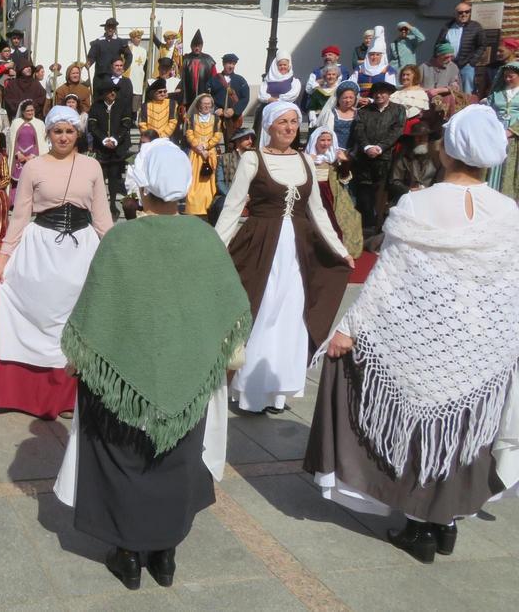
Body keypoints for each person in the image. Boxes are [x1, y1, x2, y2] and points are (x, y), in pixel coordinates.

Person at [304, 105, 519, 564]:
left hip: (426, 342)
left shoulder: (418, 204)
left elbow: (388, 282)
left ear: (448, 150)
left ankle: (420, 528)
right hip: (479, 345)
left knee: (422, 432)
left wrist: (347, 329)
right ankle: (443, 524)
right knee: (462, 435)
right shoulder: (508, 210)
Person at [53, 141, 249, 590]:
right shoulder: (205, 238)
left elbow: (93, 317)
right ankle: (165, 555)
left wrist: (77, 362)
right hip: (188, 377)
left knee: (121, 458)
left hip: (122, 383)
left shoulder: (122, 238)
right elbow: (228, 312)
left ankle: (126, 553)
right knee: (176, 460)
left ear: (141, 187)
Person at [214, 102, 354, 414]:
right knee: (262, 312)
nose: (290, 128)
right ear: (269, 126)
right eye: (283, 122)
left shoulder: (305, 160)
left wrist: (341, 250)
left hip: (299, 250)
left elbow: (317, 211)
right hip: (261, 247)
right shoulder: (253, 159)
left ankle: (277, 390)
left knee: (292, 315)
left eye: (294, 122)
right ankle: (249, 391)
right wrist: (213, 247)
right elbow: (233, 208)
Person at [0, 106, 113, 419]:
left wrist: (115, 255)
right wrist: (3, 257)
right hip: (41, 247)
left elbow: (101, 217)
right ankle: (33, 394)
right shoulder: (33, 167)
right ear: (48, 134)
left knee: (77, 318)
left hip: (81, 248)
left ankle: (71, 395)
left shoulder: (92, 167)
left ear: (78, 134)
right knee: (39, 315)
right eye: (57, 131)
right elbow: (20, 215)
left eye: (69, 131)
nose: (63, 137)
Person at [350, 82, 405, 233]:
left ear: (389, 94)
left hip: (386, 157)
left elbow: (396, 131)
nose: (379, 95)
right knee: (364, 192)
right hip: (364, 158)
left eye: (383, 92)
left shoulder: (399, 110)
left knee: (382, 193)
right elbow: (359, 131)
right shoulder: (363, 111)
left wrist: (380, 147)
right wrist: (367, 147)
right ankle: (366, 226)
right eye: (377, 93)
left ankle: (379, 226)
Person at [306, 126, 362, 257]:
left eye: (328, 140)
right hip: (312, 193)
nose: (326, 143)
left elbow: (344, 178)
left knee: (349, 218)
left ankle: (339, 250)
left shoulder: (335, 158)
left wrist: (345, 162)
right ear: (315, 140)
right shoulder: (307, 157)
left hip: (333, 193)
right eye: (322, 140)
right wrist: (310, 160)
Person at [89, 83, 134, 215]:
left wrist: (115, 139)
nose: (113, 93)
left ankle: (113, 203)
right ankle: (100, 204)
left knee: (114, 176)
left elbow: (126, 124)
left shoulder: (122, 105)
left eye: (114, 91)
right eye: (109, 91)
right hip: (101, 148)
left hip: (117, 148)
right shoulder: (96, 106)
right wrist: (103, 139)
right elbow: (92, 125)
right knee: (100, 177)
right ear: (104, 94)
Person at [435, 2, 487, 96]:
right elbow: (438, 45)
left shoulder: (476, 27)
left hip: (466, 64)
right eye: (460, 12)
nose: (464, 14)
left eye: (467, 12)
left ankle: (467, 108)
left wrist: (472, 62)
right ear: (455, 14)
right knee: (447, 88)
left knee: (467, 91)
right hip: (448, 63)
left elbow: (482, 45)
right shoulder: (447, 27)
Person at [183, 93, 222, 217]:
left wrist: (206, 146)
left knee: (209, 181)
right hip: (196, 154)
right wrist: (198, 147)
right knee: (195, 180)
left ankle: (208, 205)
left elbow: (217, 135)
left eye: (208, 104)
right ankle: (194, 206)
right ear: (199, 105)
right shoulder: (192, 119)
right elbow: (189, 134)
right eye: (204, 104)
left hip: (210, 153)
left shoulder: (216, 119)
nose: (206, 106)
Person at [485, 61, 519, 197]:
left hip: (515, 136)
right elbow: (488, 111)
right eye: (505, 76)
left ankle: (510, 196)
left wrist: (512, 131)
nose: (507, 79)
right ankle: (492, 193)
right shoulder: (497, 94)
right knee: (494, 163)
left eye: (511, 76)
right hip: (496, 133)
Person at [7, 100, 47, 206]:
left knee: (31, 181)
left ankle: (32, 203)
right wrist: (18, 153)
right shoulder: (16, 123)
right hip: (18, 157)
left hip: (33, 157)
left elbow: (41, 142)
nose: (30, 112)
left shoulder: (39, 123)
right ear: (23, 112)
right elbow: (11, 141)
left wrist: (32, 155)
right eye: (28, 110)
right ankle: (15, 203)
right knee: (17, 182)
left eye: (32, 110)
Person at [388, 121, 440, 203]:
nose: (421, 139)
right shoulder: (403, 158)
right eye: (417, 137)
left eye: (424, 136)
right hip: (407, 200)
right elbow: (394, 181)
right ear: (413, 139)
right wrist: (409, 191)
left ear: (428, 138)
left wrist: (427, 190)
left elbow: (441, 181)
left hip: (429, 200)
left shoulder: (437, 159)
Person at [209, 53, 251, 143]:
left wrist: (234, 110)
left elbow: (245, 98)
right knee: (213, 143)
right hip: (217, 116)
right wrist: (215, 109)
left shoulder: (240, 80)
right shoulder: (214, 79)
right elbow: (207, 97)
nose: (231, 66)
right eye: (229, 63)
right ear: (223, 64)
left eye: (233, 64)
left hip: (233, 119)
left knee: (232, 143)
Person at [420, 42, 463, 118]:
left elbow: (456, 87)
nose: (449, 60)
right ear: (438, 55)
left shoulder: (453, 67)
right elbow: (414, 86)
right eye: (446, 57)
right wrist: (427, 91)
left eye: (451, 57)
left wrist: (438, 90)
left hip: (445, 101)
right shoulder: (424, 67)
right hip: (425, 99)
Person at [316, 80, 361, 151]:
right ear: (338, 99)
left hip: (355, 151)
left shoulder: (359, 113)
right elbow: (327, 135)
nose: (348, 100)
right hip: (335, 150)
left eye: (351, 97)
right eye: (345, 97)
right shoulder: (331, 114)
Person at [356, 26, 399, 99]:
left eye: (377, 54)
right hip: (360, 101)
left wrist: (372, 101)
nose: (374, 57)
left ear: (382, 56)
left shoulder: (388, 70)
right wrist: (358, 99)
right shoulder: (359, 69)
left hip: (379, 102)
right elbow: (352, 86)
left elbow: (390, 91)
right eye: (372, 54)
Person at [87, 18, 133, 84]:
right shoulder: (97, 42)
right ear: (105, 28)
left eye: (113, 27)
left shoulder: (120, 42)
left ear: (115, 29)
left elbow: (129, 55)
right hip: (100, 77)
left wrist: (124, 68)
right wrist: (88, 63)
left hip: (115, 77)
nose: (110, 29)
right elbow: (91, 57)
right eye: (108, 27)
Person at [179, 30, 217, 109]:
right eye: (195, 45)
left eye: (199, 45)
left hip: (204, 96)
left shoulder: (209, 60)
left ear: (202, 46)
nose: (197, 48)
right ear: (191, 46)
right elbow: (182, 80)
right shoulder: (185, 60)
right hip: (189, 97)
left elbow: (214, 79)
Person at [390, 64, 431, 132]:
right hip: (393, 123)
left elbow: (414, 112)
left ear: (415, 76)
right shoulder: (397, 91)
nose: (404, 77)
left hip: (410, 125)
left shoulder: (420, 92)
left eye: (408, 75)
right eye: (403, 75)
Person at [126, 29, 148, 109]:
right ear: (132, 38)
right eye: (137, 37)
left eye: (140, 37)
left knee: (135, 107)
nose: (139, 39)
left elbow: (145, 66)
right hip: (129, 78)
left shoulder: (144, 50)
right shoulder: (128, 48)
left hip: (139, 80)